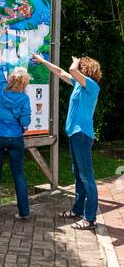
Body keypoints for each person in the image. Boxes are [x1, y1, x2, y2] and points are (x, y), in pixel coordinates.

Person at [32, 53, 101, 230]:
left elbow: (70, 69)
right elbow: (61, 72)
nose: (78, 69)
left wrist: (75, 63)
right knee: (78, 174)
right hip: (75, 135)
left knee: (87, 176)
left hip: (82, 135)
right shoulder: (79, 84)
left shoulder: (92, 86)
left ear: (86, 70)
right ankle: (78, 211)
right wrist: (41, 61)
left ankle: (90, 218)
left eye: (81, 67)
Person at [0, 36, 31, 219]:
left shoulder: (1, 87)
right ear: (25, 83)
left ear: (11, 79)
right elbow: (25, 120)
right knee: (18, 174)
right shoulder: (24, 99)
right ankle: (24, 211)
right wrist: (22, 127)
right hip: (15, 137)